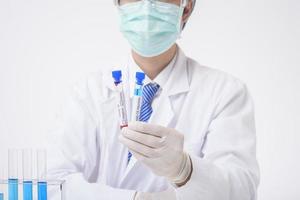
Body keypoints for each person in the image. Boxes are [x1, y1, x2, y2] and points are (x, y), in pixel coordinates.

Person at [47, 0, 260, 199]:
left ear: (186, 8)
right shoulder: (88, 93)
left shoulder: (225, 92)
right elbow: (54, 184)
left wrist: (185, 170)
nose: (147, 7)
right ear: (119, 5)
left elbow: (241, 191)